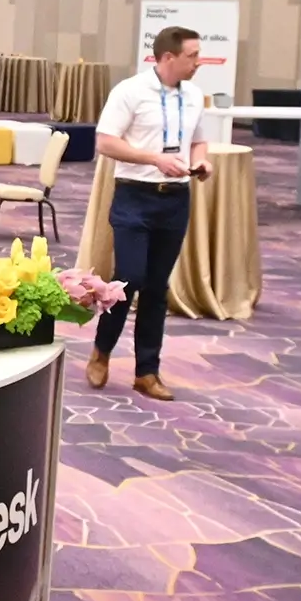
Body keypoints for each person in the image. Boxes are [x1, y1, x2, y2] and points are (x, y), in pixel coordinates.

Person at [91, 24, 213, 402]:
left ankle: (147, 371)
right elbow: (105, 142)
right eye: (193, 55)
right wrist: (154, 159)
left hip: (176, 200)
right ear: (168, 57)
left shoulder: (194, 95)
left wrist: (202, 161)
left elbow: (199, 140)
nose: (199, 62)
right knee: (128, 279)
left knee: (158, 287)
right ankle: (102, 350)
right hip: (135, 196)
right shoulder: (130, 91)